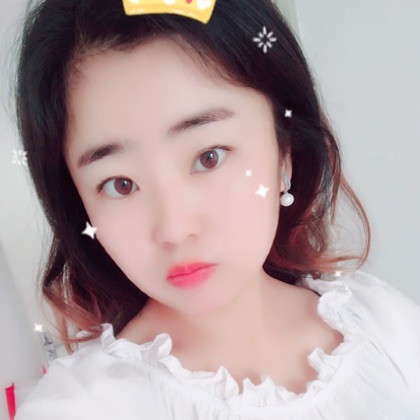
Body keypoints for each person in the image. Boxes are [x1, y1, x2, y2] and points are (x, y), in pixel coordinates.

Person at [13, 0, 420, 418]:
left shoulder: (383, 324)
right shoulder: (78, 408)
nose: (174, 228)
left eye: (209, 157)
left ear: (284, 152)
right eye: (121, 185)